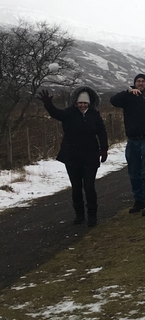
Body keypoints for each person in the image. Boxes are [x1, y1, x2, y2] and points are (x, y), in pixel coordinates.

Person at [38, 85, 108, 227]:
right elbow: (56, 114)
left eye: (85, 103)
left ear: (89, 103)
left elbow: (102, 132)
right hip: (72, 156)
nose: (82, 105)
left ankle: (92, 215)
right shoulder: (69, 113)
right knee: (76, 188)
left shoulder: (95, 115)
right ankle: (79, 215)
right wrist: (48, 104)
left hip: (90, 156)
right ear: (76, 102)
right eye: (80, 103)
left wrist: (104, 149)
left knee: (89, 187)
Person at [110, 73, 145, 216]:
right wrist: (127, 92)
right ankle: (139, 200)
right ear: (134, 83)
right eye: (138, 81)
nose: (140, 83)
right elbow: (113, 101)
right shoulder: (128, 97)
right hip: (132, 140)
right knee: (134, 172)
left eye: (143, 81)